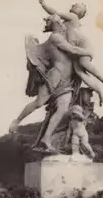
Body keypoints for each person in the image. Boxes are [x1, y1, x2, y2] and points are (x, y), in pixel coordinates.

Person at [9, 14, 93, 152]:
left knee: (62, 110)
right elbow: (72, 50)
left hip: (66, 81)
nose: (63, 25)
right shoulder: (55, 37)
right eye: (60, 23)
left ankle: (46, 139)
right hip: (55, 76)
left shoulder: (61, 37)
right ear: (57, 24)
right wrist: (89, 52)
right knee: (39, 103)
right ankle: (16, 121)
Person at [38, 0, 103, 106]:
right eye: (74, 4)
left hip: (82, 46)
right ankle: (99, 91)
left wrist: (44, 5)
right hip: (75, 49)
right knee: (79, 72)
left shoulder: (73, 17)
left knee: (84, 63)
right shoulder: (65, 22)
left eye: (78, 6)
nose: (74, 5)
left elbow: (55, 12)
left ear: (80, 13)